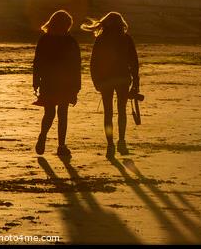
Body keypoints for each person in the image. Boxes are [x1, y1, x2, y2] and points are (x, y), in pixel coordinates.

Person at [81, 12, 139, 158]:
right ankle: (121, 141)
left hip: (106, 80)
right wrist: (136, 83)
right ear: (121, 23)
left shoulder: (101, 39)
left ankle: (110, 145)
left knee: (108, 114)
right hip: (123, 79)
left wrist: (96, 81)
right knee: (122, 112)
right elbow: (134, 63)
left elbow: (94, 63)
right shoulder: (126, 39)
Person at [33, 10, 81, 157]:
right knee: (63, 114)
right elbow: (76, 65)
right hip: (65, 83)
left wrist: (36, 82)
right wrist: (77, 86)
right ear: (67, 25)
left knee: (49, 113)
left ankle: (43, 136)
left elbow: (37, 62)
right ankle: (61, 146)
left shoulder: (44, 39)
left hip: (48, 82)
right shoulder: (71, 41)